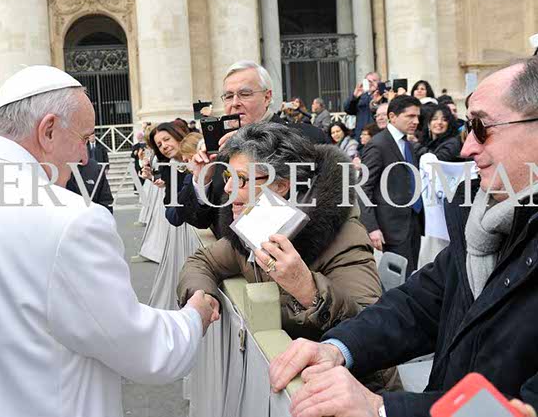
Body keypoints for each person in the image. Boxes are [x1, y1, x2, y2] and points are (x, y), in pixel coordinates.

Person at [0, 66, 219, 417]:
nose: (85, 157)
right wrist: (194, 316)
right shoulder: (72, 219)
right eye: (84, 138)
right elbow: (142, 348)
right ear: (48, 130)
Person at [268, 58, 538, 417]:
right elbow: (419, 305)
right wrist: (337, 348)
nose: (467, 148)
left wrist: (382, 408)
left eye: (480, 127)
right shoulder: (483, 222)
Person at [177, 122, 398, 390]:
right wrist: (202, 295)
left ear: (281, 185)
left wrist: (307, 289)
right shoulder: (253, 225)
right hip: (297, 384)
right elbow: (202, 261)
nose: (228, 189)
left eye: (241, 180)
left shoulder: (345, 234)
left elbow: (371, 329)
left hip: (358, 391)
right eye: (228, 177)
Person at [177, 61, 326, 240]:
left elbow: (316, 208)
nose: (235, 103)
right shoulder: (219, 148)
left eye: (245, 94)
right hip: (230, 256)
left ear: (267, 97)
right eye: (228, 96)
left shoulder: (307, 137)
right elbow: (198, 220)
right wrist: (202, 180)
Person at [361, 95, 424, 276]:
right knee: (397, 280)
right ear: (392, 116)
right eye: (410, 116)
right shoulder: (378, 145)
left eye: (417, 116)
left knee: (411, 276)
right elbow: (363, 188)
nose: (415, 121)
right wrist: (372, 227)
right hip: (392, 228)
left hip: (413, 221)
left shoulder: (408, 145)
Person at [144, 122, 202, 311]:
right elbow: (170, 207)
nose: (164, 146)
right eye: (159, 145)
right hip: (181, 229)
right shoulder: (169, 166)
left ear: (177, 135)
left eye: (166, 139)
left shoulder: (197, 158)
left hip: (201, 229)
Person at [345, 71, 380, 141]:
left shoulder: (383, 96)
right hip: (361, 134)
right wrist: (354, 97)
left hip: (376, 134)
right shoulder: (360, 96)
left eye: (374, 80)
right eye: (368, 81)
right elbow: (348, 110)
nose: (371, 83)